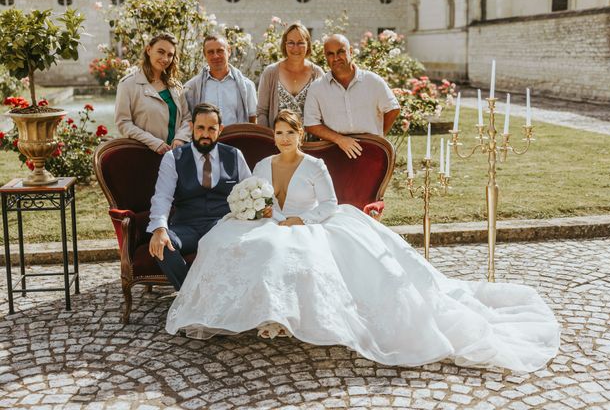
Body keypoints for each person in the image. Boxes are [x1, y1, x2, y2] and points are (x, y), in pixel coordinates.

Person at [165, 110, 560, 372]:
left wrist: (303, 219)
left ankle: (288, 319)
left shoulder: (315, 165)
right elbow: (260, 196)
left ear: (300, 134)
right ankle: (251, 313)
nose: (283, 138)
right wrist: (264, 214)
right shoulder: (264, 164)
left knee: (288, 252)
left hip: (314, 224)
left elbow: (331, 205)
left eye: (289, 133)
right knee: (237, 243)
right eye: (279, 133)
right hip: (277, 224)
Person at [147, 103, 251, 290]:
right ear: (191, 127)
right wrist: (160, 228)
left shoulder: (235, 155)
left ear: (220, 129)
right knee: (161, 245)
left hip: (222, 226)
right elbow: (162, 197)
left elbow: (250, 193)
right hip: (186, 227)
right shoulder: (173, 158)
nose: (205, 134)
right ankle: (192, 294)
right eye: (200, 128)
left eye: (211, 129)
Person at [304, 34, 401, 159]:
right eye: (330, 54)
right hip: (334, 152)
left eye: (341, 52)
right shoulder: (317, 88)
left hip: (371, 151)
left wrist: (378, 137)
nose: (336, 58)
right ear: (326, 57)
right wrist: (340, 140)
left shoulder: (372, 81)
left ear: (350, 51)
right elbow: (311, 124)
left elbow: (393, 109)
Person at [115, 33, 191, 153]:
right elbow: (124, 124)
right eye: (161, 52)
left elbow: (187, 118)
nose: (165, 59)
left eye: (170, 55)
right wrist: (154, 143)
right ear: (149, 50)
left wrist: (181, 138)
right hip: (144, 154)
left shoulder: (176, 85)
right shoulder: (127, 85)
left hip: (175, 155)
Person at [257, 23, 324, 128]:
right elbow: (262, 112)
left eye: (300, 43)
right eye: (291, 43)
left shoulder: (317, 73)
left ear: (308, 44)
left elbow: (323, 113)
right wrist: (268, 140)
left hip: (310, 142)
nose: (295, 48)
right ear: (284, 44)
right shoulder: (270, 73)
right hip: (276, 141)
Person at [184, 35, 257, 125]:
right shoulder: (192, 87)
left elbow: (253, 120)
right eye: (210, 52)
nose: (216, 56)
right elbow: (187, 121)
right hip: (205, 139)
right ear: (204, 55)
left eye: (220, 51)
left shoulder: (247, 86)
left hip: (237, 138)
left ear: (229, 51)